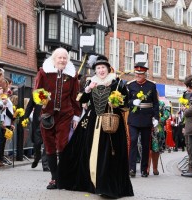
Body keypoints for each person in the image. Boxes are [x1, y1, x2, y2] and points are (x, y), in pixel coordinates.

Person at [57, 55, 134, 198]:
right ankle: (92, 183)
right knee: (86, 150)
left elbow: (125, 104)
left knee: (108, 153)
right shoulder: (90, 83)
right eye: (98, 68)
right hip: (93, 122)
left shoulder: (117, 83)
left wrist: (116, 103)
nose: (101, 70)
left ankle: (107, 185)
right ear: (95, 71)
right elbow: (82, 101)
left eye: (103, 67)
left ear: (108, 69)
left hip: (110, 123)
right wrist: (87, 90)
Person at [34, 47, 81, 189]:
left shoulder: (72, 75)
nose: (62, 60)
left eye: (64, 58)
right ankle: (54, 178)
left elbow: (75, 97)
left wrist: (76, 116)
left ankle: (62, 176)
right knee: (49, 146)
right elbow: (37, 91)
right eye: (59, 58)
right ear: (54, 59)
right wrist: (43, 100)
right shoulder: (43, 72)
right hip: (47, 114)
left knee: (62, 144)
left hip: (65, 114)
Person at [127, 62, 159, 178]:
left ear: (145, 74)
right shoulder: (130, 85)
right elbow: (126, 101)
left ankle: (144, 169)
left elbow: (155, 103)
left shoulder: (151, 86)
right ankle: (131, 169)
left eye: (140, 74)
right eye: (136, 74)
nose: (137, 76)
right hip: (134, 119)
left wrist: (156, 118)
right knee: (133, 141)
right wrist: (132, 102)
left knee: (146, 144)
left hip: (146, 119)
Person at [23, 94, 49, 171]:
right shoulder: (37, 93)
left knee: (47, 143)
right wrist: (25, 118)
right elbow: (29, 107)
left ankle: (45, 164)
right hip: (38, 122)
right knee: (37, 143)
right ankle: (37, 157)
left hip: (49, 121)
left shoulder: (53, 91)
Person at [148, 95, 170, 175]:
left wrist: (160, 119)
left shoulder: (160, 103)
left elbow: (167, 114)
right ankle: (146, 168)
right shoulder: (146, 103)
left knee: (155, 149)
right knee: (147, 149)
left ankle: (155, 168)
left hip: (157, 129)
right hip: (146, 127)